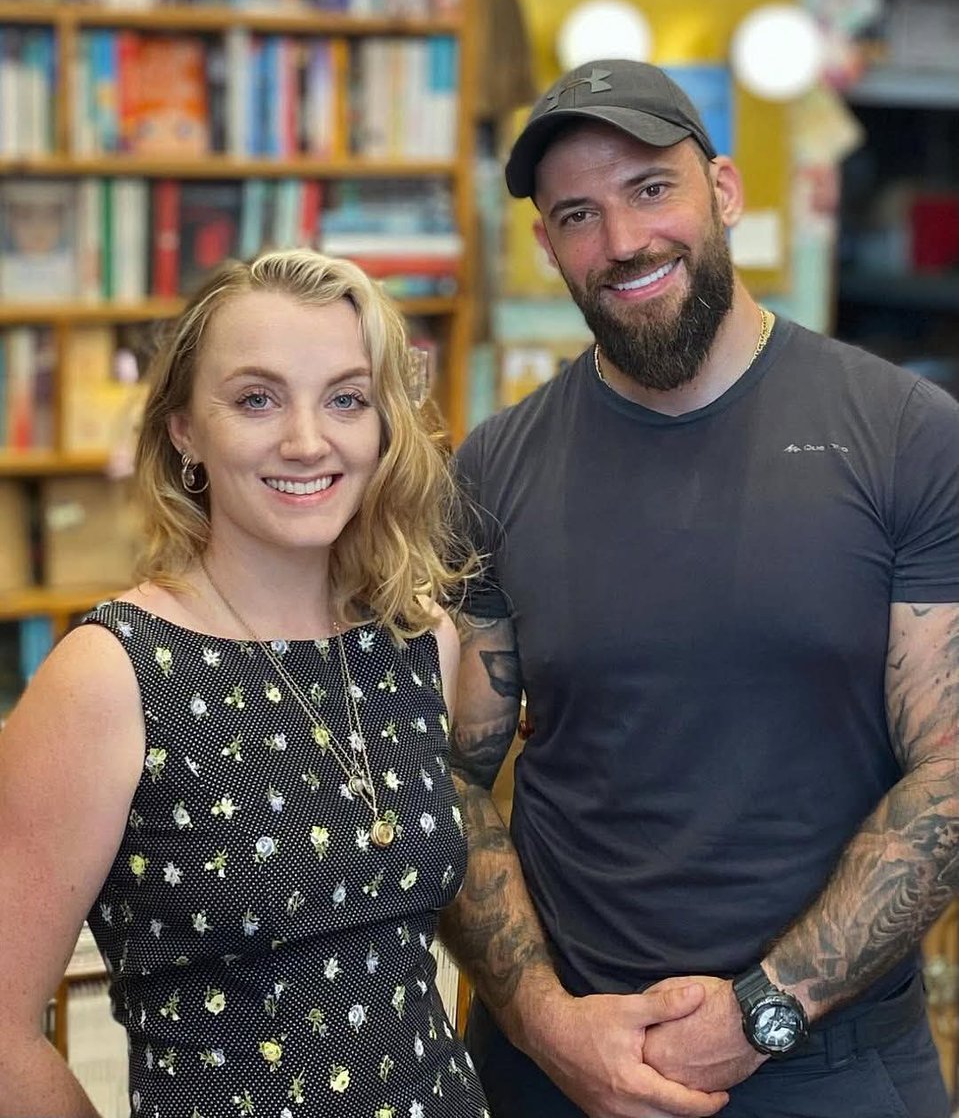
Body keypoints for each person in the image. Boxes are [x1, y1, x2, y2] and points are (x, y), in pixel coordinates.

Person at [440, 58, 959, 1118]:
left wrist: (762, 1012)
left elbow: (948, 772)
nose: (622, 243)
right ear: (546, 248)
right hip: (557, 1061)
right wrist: (542, 1019)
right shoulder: (494, 467)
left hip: (825, 1057)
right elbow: (446, 775)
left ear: (720, 191)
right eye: (576, 215)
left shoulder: (904, 437)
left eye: (648, 189)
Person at [0, 248, 490, 1118]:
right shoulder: (110, 676)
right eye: (257, 398)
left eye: (346, 397)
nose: (307, 441)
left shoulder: (421, 642)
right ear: (185, 428)